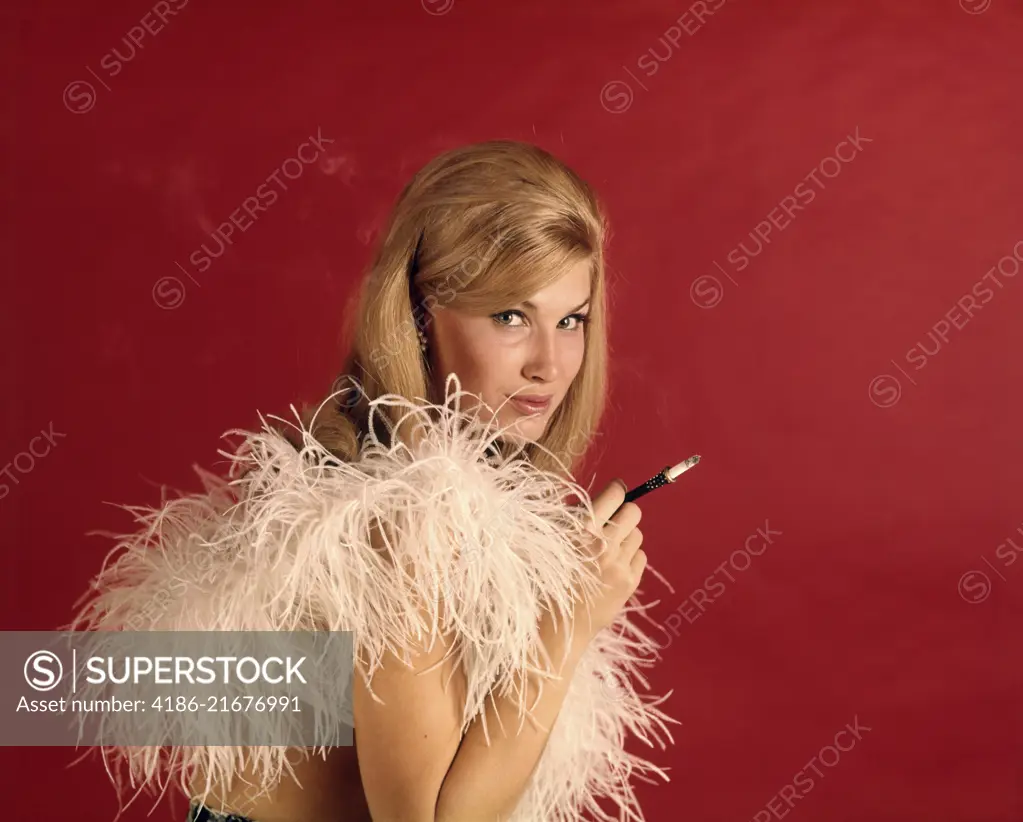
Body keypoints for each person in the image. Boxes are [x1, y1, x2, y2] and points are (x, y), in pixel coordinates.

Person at [69, 139, 676, 822]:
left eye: (571, 321)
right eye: (509, 316)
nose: (549, 363)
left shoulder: (414, 479)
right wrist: (564, 626)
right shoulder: (404, 517)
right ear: (419, 318)